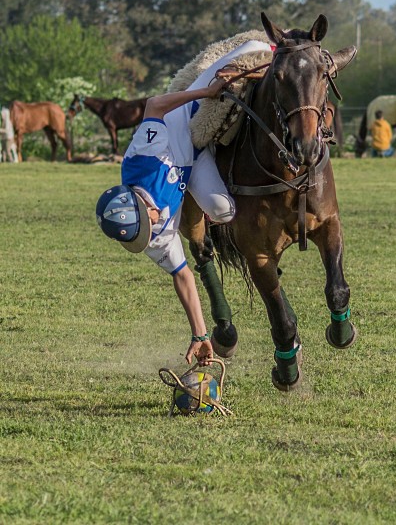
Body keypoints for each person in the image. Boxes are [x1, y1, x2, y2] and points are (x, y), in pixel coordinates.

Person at [96, 39, 271, 366]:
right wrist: (200, 335)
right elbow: (182, 276)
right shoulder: (146, 237)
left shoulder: (141, 160)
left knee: (257, 44)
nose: (153, 230)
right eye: (144, 234)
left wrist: (204, 94)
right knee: (224, 210)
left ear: (138, 202)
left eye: (148, 224)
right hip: (193, 162)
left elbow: (155, 105)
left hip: (187, 117)